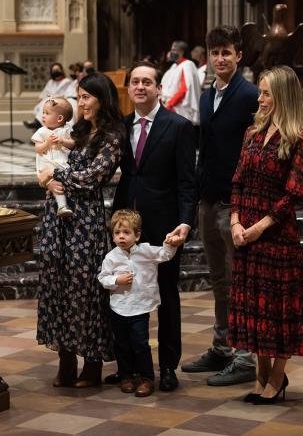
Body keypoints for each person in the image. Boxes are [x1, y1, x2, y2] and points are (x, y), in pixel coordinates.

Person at [228, 65, 303, 404]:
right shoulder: (252, 133)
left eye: (267, 92)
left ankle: (275, 378)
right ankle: (260, 378)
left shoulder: (301, 141)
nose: (260, 98)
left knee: (278, 309)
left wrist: (258, 228)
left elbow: (294, 194)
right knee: (254, 310)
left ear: (283, 95)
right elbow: (238, 180)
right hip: (246, 233)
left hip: (277, 237)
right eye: (260, 91)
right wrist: (236, 223)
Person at [111, 61, 197, 392]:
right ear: (129, 88)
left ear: (159, 88)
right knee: (123, 293)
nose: (141, 87)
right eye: (135, 82)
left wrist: (185, 222)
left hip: (164, 226)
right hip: (125, 228)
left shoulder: (178, 127)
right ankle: (129, 367)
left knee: (166, 295)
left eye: (148, 81)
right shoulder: (121, 126)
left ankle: (168, 367)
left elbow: (187, 183)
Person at [182, 25, 259, 386]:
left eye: (227, 52)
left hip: (235, 203)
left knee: (239, 280)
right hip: (209, 198)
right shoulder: (207, 94)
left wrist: (243, 202)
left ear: (238, 55)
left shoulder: (249, 95)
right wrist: (198, 192)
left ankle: (245, 357)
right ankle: (222, 346)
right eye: (215, 53)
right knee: (218, 279)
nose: (221, 58)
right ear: (208, 58)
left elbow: (252, 151)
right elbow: (206, 147)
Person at [36, 72, 124, 388]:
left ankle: (92, 363)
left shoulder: (112, 136)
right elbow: (53, 163)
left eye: (86, 96)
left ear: (103, 99)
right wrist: (45, 178)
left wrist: (54, 173)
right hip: (58, 217)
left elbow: (92, 177)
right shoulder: (80, 130)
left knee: (85, 289)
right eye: (79, 96)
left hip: (85, 221)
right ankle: (66, 358)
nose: (81, 102)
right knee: (57, 284)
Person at [98, 210, 182, 397]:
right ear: (112, 236)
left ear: (137, 235)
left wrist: (171, 243)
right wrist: (116, 281)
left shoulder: (146, 251)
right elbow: (103, 278)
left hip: (139, 307)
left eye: (126, 233)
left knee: (140, 343)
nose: (121, 237)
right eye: (117, 233)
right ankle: (126, 376)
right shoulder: (111, 257)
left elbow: (164, 255)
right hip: (118, 307)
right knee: (122, 345)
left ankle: (146, 378)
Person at [31, 97, 75, 217]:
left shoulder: (67, 129)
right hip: (47, 164)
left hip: (62, 162)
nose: (43, 116)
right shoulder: (41, 131)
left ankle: (66, 203)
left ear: (60, 118)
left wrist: (62, 141)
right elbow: (38, 149)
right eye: (43, 113)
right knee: (55, 184)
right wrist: (47, 143)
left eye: (47, 113)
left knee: (65, 180)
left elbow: (73, 144)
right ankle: (62, 206)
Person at [161, 41, 201, 124]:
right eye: (171, 50)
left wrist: (170, 104)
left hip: (178, 108)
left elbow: (184, 89)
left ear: (182, 52)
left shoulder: (187, 65)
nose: (171, 52)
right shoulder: (174, 66)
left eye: (174, 50)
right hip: (168, 105)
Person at [23, 63, 72, 130]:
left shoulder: (67, 81)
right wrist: (40, 99)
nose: (56, 72)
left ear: (61, 70)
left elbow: (68, 94)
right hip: (49, 101)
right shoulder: (50, 82)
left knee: (46, 103)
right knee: (43, 104)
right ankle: (38, 125)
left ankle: (37, 123)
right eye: (54, 70)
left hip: (60, 102)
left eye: (57, 69)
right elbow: (44, 93)